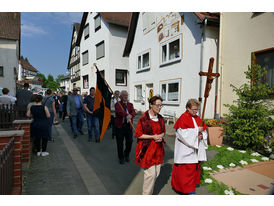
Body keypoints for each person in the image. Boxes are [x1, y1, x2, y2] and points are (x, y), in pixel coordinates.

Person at [171, 99, 208, 195]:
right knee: (185, 173)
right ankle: (189, 192)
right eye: (194, 109)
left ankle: (190, 189)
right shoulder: (183, 118)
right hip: (185, 150)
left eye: (197, 109)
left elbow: (203, 131)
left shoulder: (197, 117)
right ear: (188, 108)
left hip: (195, 149)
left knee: (193, 171)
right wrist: (196, 131)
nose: (196, 111)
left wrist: (202, 135)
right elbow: (182, 134)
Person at [134, 96, 166, 195]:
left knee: (156, 174)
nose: (160, 107)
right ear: (151, 105)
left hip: (158, 150)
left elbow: (163, 131)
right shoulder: (144, 119)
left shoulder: (160, 118)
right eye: (157, 105)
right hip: (147, 150)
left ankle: (149, 193)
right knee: (150, 175)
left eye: (161, 105)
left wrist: (160, 135)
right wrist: (153, 137)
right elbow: (138, 134)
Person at [115, 90, 136, 164]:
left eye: (126, 95)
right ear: (120, 96)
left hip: (128, 126)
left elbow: (133, 112)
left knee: (130, 142)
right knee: (120, 143)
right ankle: (121, 158)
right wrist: (127, 115)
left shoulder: (130, 104)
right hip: (120, 126)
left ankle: (126, 154)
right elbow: (119, 112)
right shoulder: (117, 104)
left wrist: (131, 115)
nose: (125, 97)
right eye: (124, 95)